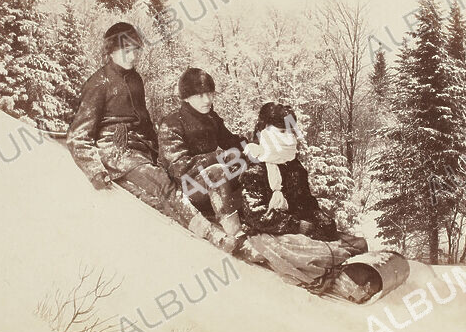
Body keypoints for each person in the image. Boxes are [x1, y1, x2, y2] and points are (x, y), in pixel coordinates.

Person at [66, 24, 235, 253]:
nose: (133, 55)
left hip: (140, 151)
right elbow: (78, 134)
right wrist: (95, 169)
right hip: (116, 151)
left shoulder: (135, 79)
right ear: (112, 51)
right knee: (161, 184)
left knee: (167, 183)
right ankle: (210, 233)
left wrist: (157, 152)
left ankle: (209, 218)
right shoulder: (99, 82)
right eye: (127, 50)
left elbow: (144, 120)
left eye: (136, 49)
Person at [158, 68, 264, 263]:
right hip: (190, 187)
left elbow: (230, 140)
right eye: (200, 95)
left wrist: (248, 147)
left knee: (249, 163)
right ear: (187, 98)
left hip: (214, 181)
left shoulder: (210, 118)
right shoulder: (172, 123)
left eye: (210, 94)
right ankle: (236, 234)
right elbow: (179, 168)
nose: (207, 100)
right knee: (216, 172)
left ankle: (257, 216)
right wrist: (216, 158)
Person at [240, 102, 338, 240]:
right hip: (266, 233)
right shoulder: (255, 170)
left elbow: (306, 202)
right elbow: (256, 215)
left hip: (294, 230)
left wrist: (319, 218)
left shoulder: (294, 167)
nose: (289, 137)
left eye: (291, 131)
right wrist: (297, 226)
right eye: (281, 131)